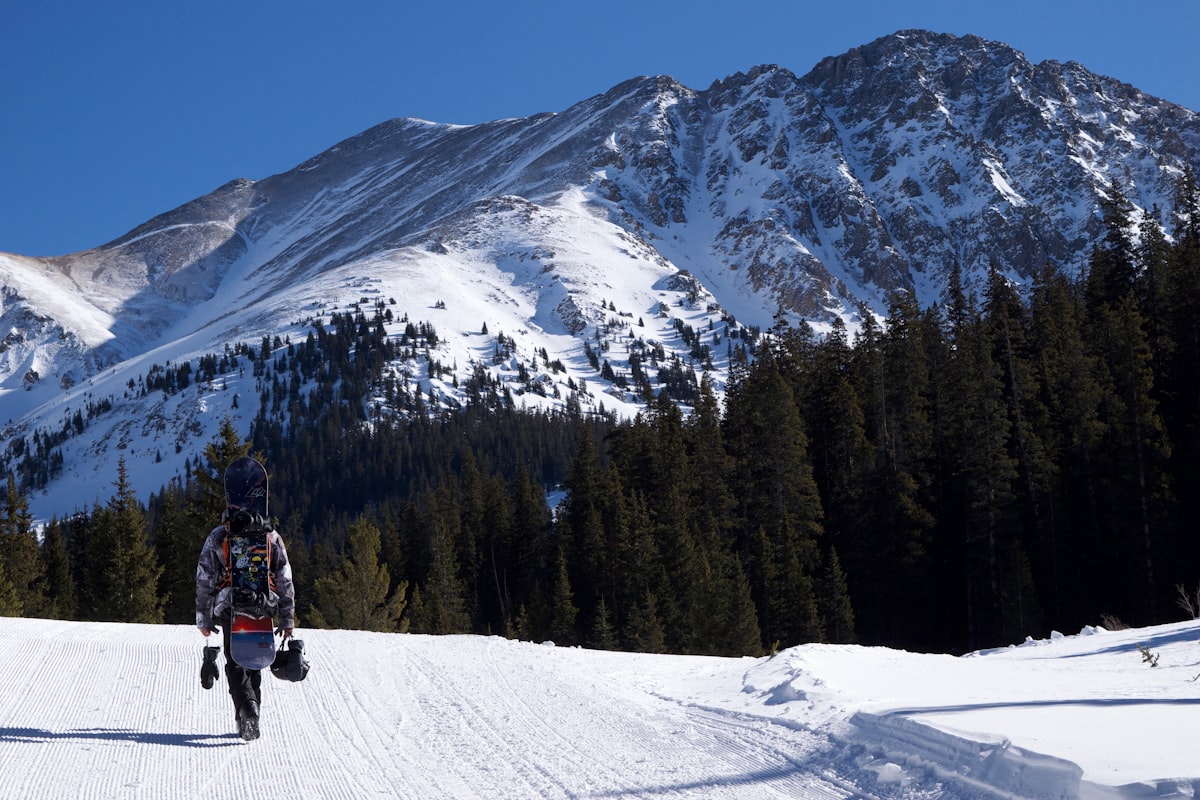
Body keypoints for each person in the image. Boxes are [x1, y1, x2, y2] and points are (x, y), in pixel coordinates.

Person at [196, 497, 295, 739]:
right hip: (264, 602)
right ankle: (254, 711)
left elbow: (205, 578)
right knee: (256, 656)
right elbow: (284, 576)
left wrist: (204, 618)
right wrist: (286, 617)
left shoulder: (219, 536)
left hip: (231, 603)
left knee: (236, 659)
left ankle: (246, 707)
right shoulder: (271, 535)